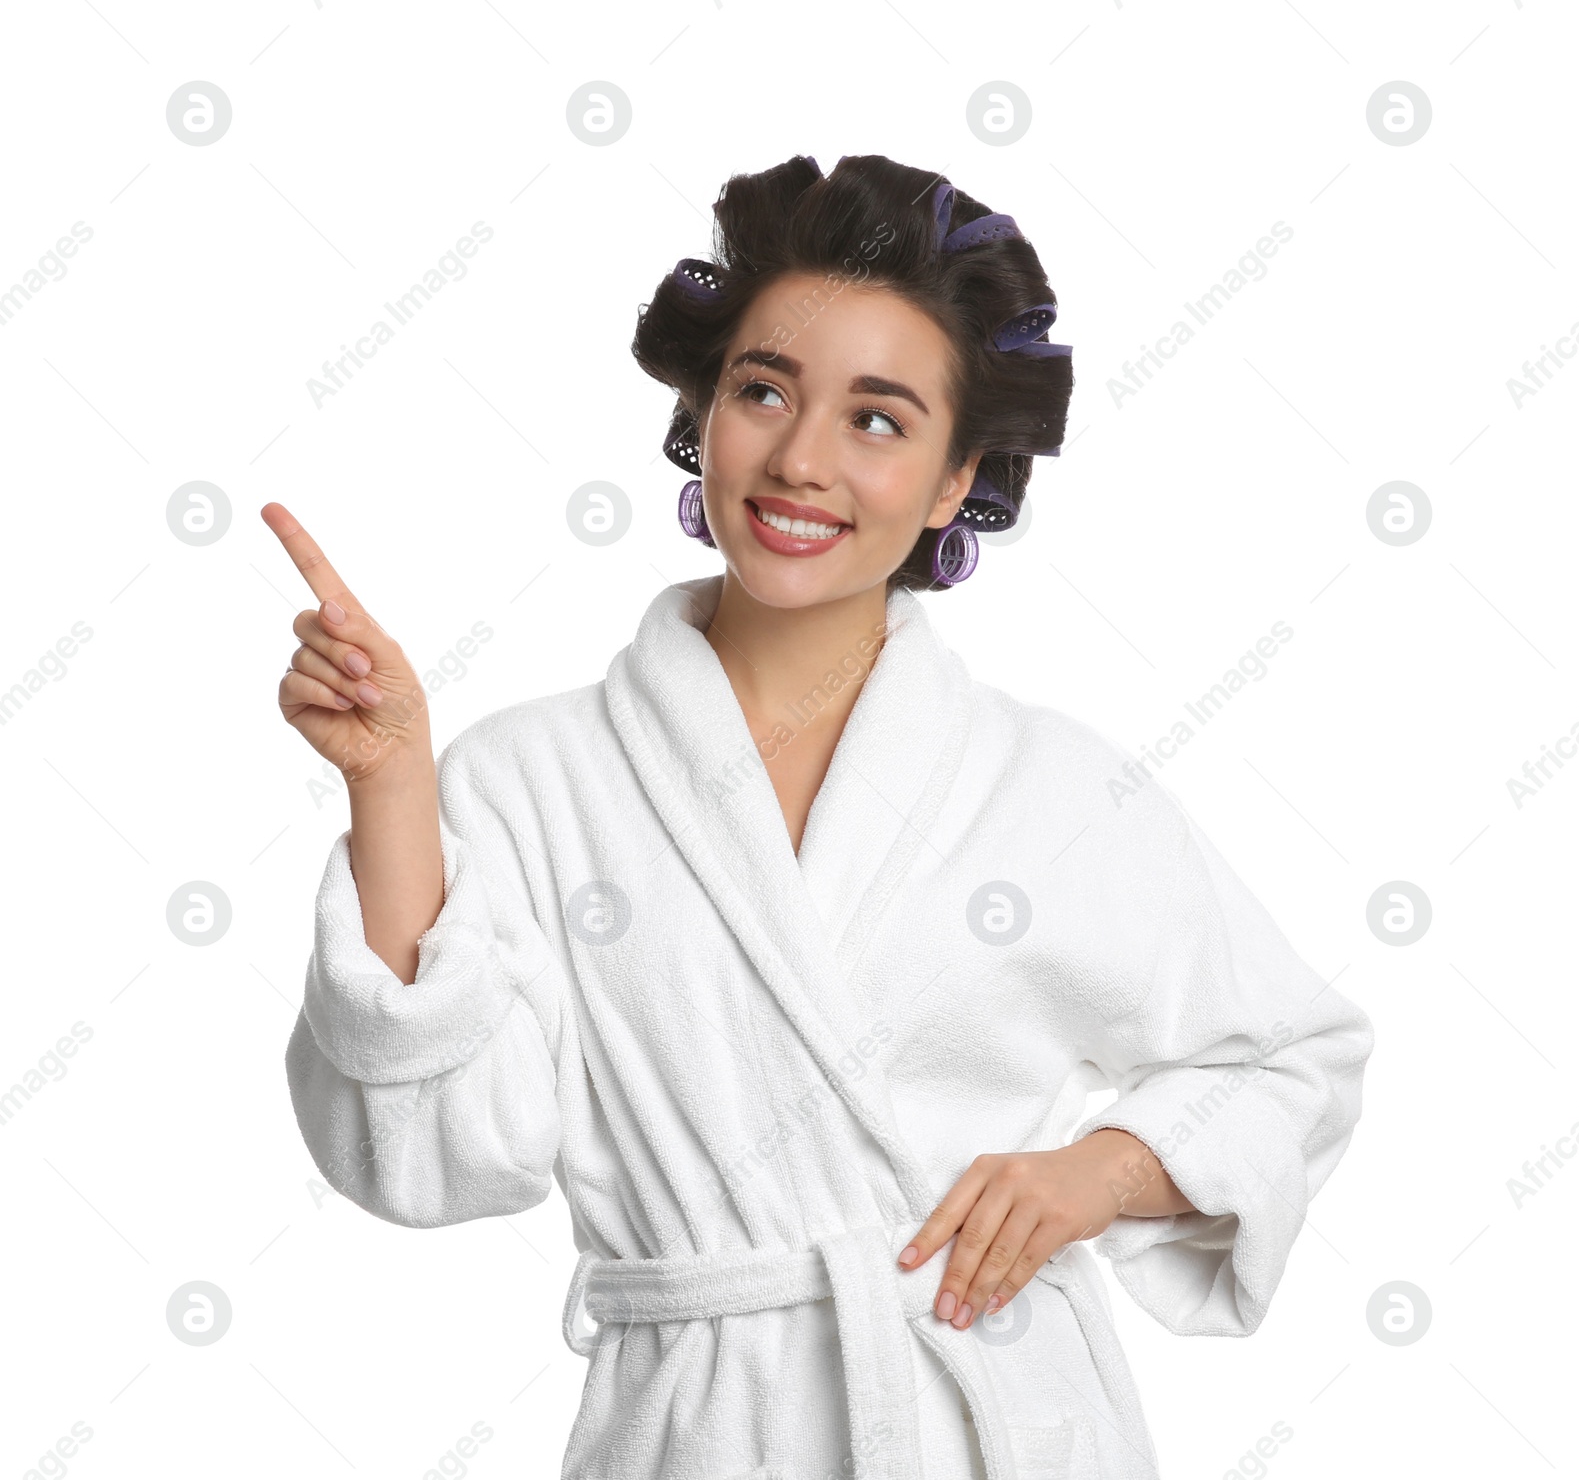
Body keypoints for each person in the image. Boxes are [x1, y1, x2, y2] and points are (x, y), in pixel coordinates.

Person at [270, 153, 1374, 1480]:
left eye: (879, 420)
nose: (799, 461)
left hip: (1001, 1429)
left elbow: (1295, 1062)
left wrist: (1107, 1169)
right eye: (763, 392)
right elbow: (432, 1157)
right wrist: (390, 782)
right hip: (694, 1431)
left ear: (961, 478)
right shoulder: (533, 778)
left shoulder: (1059, 791)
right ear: (702, 410)